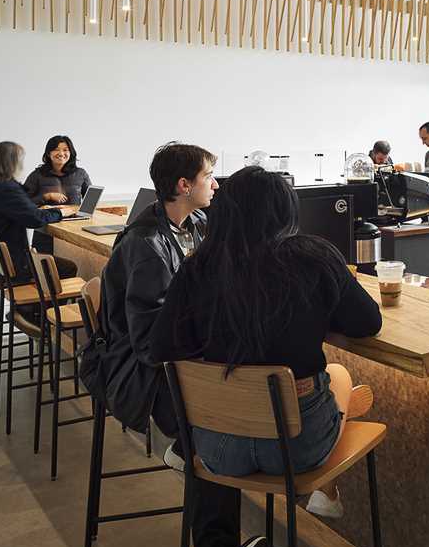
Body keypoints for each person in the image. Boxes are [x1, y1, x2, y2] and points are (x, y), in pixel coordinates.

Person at [82, 140, 264, 547]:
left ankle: (190, 454)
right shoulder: (145, 245)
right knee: (214, 429)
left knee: (219, 415)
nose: (216, 184)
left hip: (171, 364)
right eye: (208, 176)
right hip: (141, 375)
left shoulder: (195, 225)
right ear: (184, 186)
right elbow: (150, 343)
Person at [149, 166, 382, 518]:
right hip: (295, 452)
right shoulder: (314, 256)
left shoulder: (197, 267)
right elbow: (367, 323)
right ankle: (326, 490)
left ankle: (324, 491)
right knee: (338, 375)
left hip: (217, 449)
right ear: (287, 209)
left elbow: (163, 346)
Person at [0, 140, 78, 282]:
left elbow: (26, 210)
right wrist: (61, 212)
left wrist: (48, 209)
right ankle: (39, 304)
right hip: (2, 265)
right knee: (68, 268)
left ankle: (33, 304)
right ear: (12, 162)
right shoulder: (6, 188)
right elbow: (35, 219)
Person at [23, 135, 94, 206]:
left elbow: (91, 201)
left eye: (65, 150)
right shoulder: (36, 175)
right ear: (48, 153)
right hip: (47, 216)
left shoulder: (81, 173)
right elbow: (22, 202)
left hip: (75, 216)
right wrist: (47, 196)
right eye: (56, 149)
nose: (61, 153)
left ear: (70, 153)